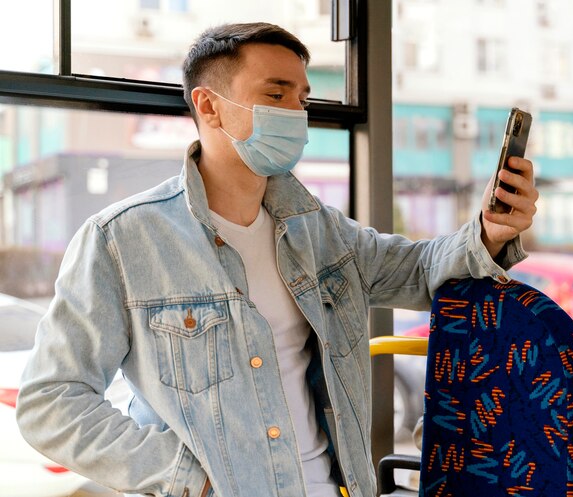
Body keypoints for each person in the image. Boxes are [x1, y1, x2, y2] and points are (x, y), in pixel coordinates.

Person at [16, 22, 538, 497]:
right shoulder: (121, 240)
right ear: (209, 105)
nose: (296, 112)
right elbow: (51, 401)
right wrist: (184, 479)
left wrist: (490, 233)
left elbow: (421, 270)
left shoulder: (320, 230)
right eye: (276, 94)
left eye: (303, 97)